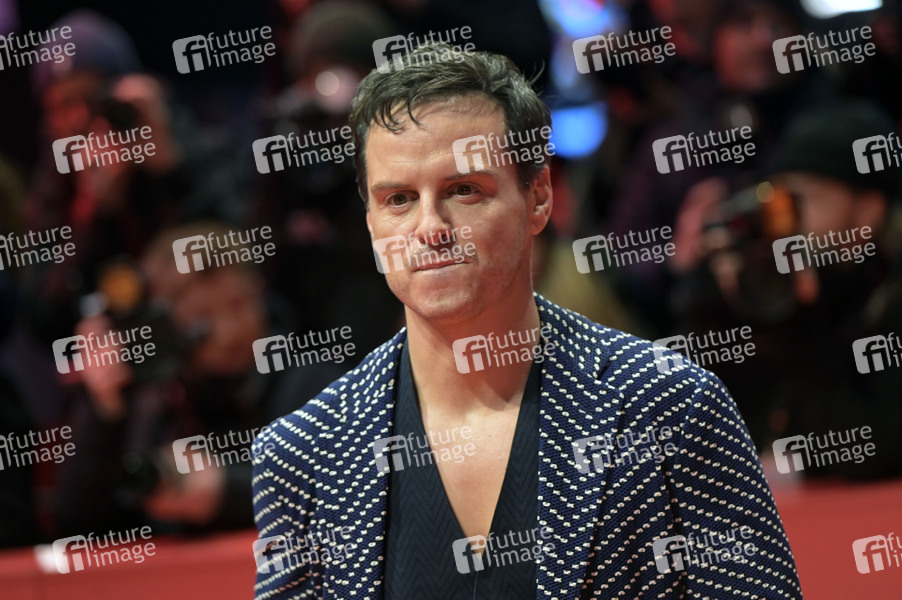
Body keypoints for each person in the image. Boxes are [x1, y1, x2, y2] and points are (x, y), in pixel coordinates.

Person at [252, 43, 801, 599]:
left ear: (538, 198)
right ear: (371, 222)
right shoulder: (302, 454)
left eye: (463, 190)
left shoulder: (670, 407)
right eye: (398, 199)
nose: (429, 228)